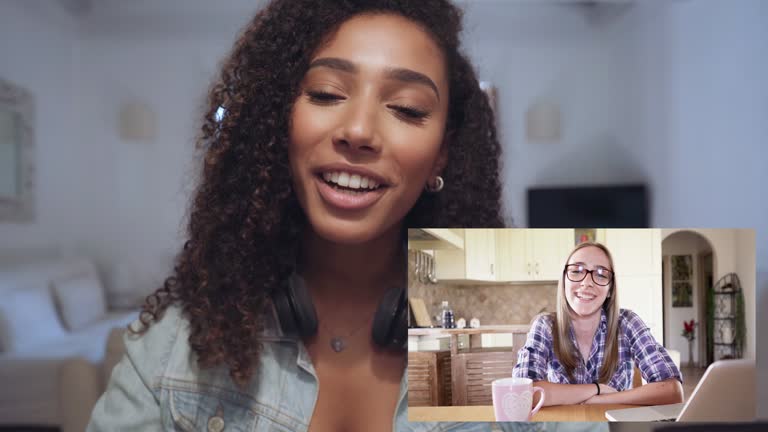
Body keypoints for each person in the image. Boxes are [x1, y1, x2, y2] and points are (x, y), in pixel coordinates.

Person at [87, 1, 505, 431]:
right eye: (326, 94)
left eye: (407, 108)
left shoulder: (530, 316)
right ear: (276, 121)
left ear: (441, 155)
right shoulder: (178, 339)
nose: (358, 131)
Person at [513, 241, 685, 407]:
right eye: (576, 271)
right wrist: (597, 389)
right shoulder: (545, 326)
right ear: (564, 279)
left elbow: (672, 391)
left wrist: (600, 400)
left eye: (601, 274)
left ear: (610, 288)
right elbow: (524, 393)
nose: (587, 282)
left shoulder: (627, 323)